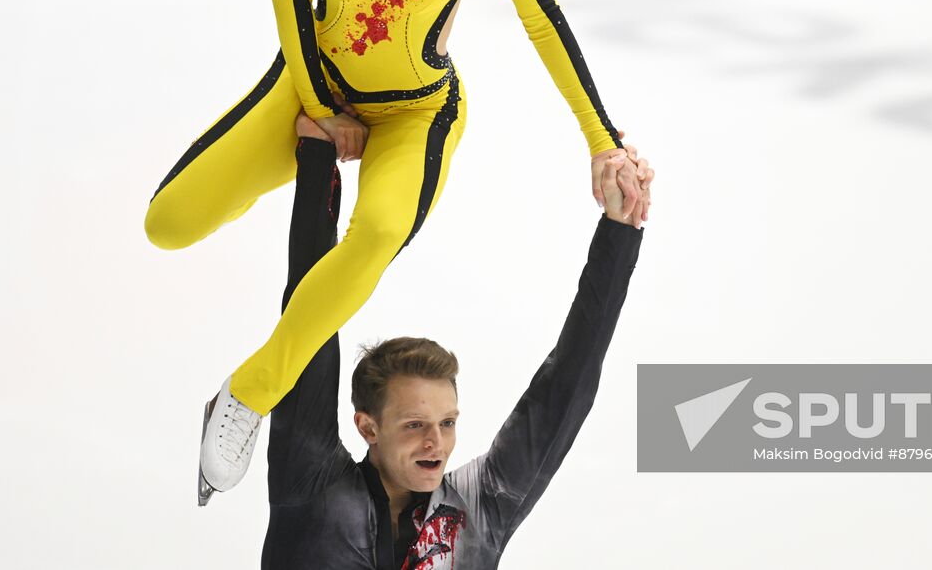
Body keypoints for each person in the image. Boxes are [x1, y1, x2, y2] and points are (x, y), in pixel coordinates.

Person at [143, 0, 649, 493]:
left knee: (375, 232)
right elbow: (288, 3)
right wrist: (321, 109)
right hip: (313, 84)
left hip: (418, 111)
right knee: (168, 223)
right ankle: (281, 186)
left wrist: (603, 137)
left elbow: (543, 19)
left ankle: (246, 394)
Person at [248, 114, 647, 569]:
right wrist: (317, 156)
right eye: (415, 425)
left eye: (448, 422)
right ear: (367, 427)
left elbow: (566, 385)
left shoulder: (479, 506)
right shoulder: (312, 484)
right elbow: (308, 325)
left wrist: (621, 226)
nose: (436, 443)